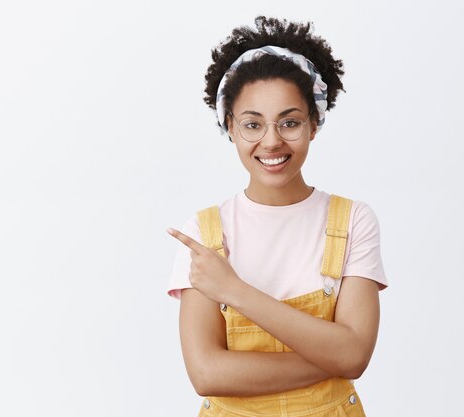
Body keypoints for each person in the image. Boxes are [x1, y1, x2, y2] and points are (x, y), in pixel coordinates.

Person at [166, 16, 388, 417]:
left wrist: (233, 291)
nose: (271, 141)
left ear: (314, 124)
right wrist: (331, 355)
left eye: (290, 122)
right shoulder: (203, 232)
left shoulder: (353, 220)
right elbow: (207, 374)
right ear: (229, 127)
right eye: (252, 124)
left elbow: (354, 355)